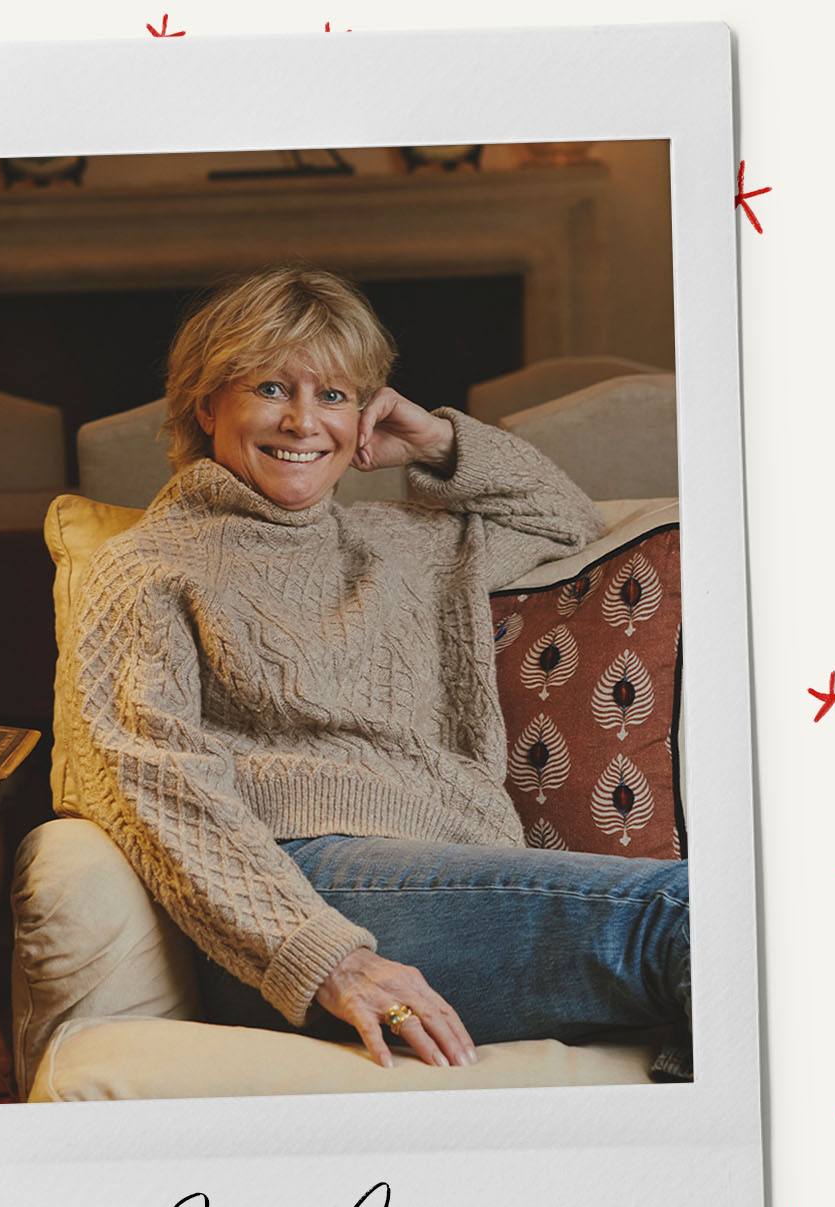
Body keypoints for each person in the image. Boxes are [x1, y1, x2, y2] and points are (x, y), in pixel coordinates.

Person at [67, 264, 692, 1082]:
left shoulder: (409, 542)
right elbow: (149, 784)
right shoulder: (144, 567)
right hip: (302, 890)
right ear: (205, 402)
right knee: (691, 916)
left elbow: (562, 519)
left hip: (453, 873)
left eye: (334, 396)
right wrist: (326, 960)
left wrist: (435, 439)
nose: (303, 421)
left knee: (730, 948)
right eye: (270, 387)